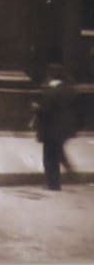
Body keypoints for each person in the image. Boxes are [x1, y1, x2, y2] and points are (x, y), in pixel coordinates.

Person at [32, 62, 77, 191]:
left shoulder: (51, 90)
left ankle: (53, 183)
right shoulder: (68, 88)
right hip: (63, 127)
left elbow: (46, 109)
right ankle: (65, 173)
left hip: (50, 128)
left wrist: (37, 108)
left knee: (49, 156)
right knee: (56, 152)